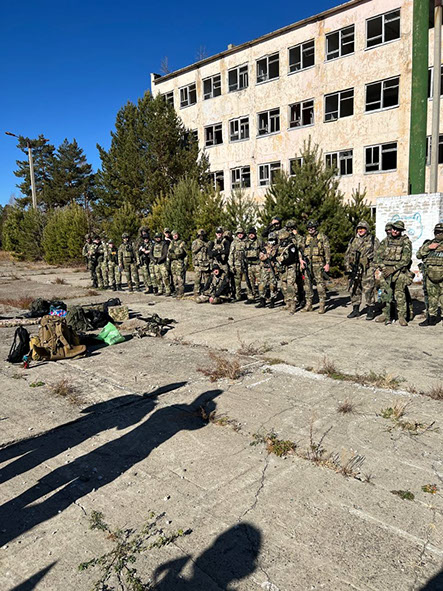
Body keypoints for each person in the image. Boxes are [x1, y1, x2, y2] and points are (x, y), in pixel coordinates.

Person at [375, 220, 412, 326]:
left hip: (399, 272)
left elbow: (406, 259)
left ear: (401, 231)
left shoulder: (405, 242)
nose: (395, 231)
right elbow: (378, 256)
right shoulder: (385, 241)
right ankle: (385, 314)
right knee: (385, 294)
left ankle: (401, 317)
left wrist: (394, 269)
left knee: (400, 295)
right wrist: (383, 268)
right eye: (394, 229)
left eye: (398, 230)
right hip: (386, 272)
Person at [344, 220, 379, 320]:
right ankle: (355, 309)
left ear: (367, 229)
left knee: (368, 289)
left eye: (363, 228)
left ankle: (370, 309)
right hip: (354, 268)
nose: (360, 230)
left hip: (367, 268)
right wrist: (347, 266)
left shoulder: (373, 239)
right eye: (359, 228)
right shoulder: (353, 240)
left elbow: (378, 254)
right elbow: (347, 254)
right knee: (354, 288)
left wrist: (374, 267)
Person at [416, 222, 443, 326]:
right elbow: (418, 255)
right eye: (437, 232)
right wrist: (429, 248)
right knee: (432, 298)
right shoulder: (428, 243)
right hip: (430, 275)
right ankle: (431, 318)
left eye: (441, 232)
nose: (438, 234)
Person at [302, 220, 330, 314]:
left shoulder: (322, 237)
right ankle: (308, 304)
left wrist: (327, 263)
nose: (311, 229)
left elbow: (327, 251)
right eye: (309, 228)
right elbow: (301, 250)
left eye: (312, 227)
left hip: (318, 263)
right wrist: (301, 261)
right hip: (307, 264)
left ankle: (322, 304)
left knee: (320, 284)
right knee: (307, 284)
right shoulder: (305, 238)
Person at [276, 229, 302, 314]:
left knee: (290, 286)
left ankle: (293, 304)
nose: (282, 240)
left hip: (290, 268)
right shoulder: (279, 246)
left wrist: (282, 261)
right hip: (282, 269)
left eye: (283, 239)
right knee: (283, 286)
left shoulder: (291, 246)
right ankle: (287, 303)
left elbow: (291, 258)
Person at [256, 232, 279, 308]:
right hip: (264, 269)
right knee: (261, 285)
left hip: (273, 269)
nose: (271, 241)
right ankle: (262, 301)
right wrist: (267, 256)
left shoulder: (277, 248)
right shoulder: (265, 248)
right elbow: (261, 257)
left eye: (273, 239)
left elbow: (277, 258)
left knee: (272, 285)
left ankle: (272, 301)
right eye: (270, 240)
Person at [228, 227, 249, 301]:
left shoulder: (247, 241)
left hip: (246, 264)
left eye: (241, 233)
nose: (240, 235)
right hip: (237, 265)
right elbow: (231, 255)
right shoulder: (234, 243)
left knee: (248, 281)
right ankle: (238, 296)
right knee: (237, 282)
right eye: (238, 233)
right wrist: (231, 265)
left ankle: (250, 296)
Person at [243, 227, 262, 304]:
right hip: (249, 265)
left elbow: (264, 251)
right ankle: (251, 297)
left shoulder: (259, 241)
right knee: (250, 282)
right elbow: (243, 253)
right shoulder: (245, 242)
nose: (251, 235)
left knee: (260, 282)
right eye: (250, 234)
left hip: (257, 264)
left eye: (252, 233)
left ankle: (262, 297)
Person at [167, 230, 188, 298]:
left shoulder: (182, 243)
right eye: (173, 235)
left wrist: (185, 263)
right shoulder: (171, 243)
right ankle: (176, 291)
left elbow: (186, 254)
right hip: (173, 263)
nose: (175, 236)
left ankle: (180, 292)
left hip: (179, 262)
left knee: (180, 278)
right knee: (174, 278)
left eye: (176, 234)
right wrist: (168, 263)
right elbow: (168, 253)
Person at [192, 229, 211, 297]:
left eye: (203, 235)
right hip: (198, 263)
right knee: (197, 279)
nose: (201, 237)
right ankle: (197, 293)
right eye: (200, 235)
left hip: (206, 263)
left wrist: (206, 245)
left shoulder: (208, 242)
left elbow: (210, 251)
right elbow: (193, 251)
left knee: (207, 279)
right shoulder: (195, 242)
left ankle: (207, 292)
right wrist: (199, 246)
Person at [137, 227, 154, 293]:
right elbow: (138, 252)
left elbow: (153, 250)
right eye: (144, 238)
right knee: (145, 275)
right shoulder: (142, 244)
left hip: (150, 261)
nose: (145, 240)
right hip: (144, 261)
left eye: (146, 238)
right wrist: (142, 250)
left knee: (151, 275)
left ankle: (152, 287)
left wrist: (148, 251)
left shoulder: (151, 243)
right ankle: (148, 287)